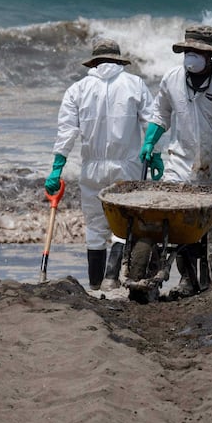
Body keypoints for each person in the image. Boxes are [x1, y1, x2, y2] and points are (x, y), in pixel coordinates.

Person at [140, 24, 212, 288]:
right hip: (180, 162)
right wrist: (150, 141)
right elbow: (161, 114)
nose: (191, 56)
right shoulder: (172, 79)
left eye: (197, 51)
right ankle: (188, 279)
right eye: (188, 51)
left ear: (210, 55)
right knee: (175, 221)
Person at [44, 39, 155, 291]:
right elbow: (151, 123)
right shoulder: (135, 84)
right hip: (127, 166)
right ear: (118, 60)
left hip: (92, 167)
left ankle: (94, 284)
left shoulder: (77, 89)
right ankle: (111, 279)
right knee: (124, 224)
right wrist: (155, 154)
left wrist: (57, 167)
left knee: (95, 225)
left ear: (93, 62)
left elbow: (67, 132)